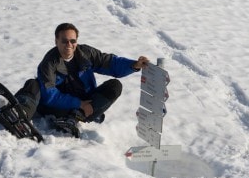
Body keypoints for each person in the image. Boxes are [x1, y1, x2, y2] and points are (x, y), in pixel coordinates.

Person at [12, 22, 149, 131]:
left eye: (73, 41)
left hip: (84, 106)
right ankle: (20, 114)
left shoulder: (86, 54)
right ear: (56, 41)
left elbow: (110, 63)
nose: (69, 45)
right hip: (58, 107)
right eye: (64, 41)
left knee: (114, 86)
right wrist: (79, 103)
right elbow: (49, 95)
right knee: (33, 84)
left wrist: (134, 65)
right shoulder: (48, 63)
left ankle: (75, 118)